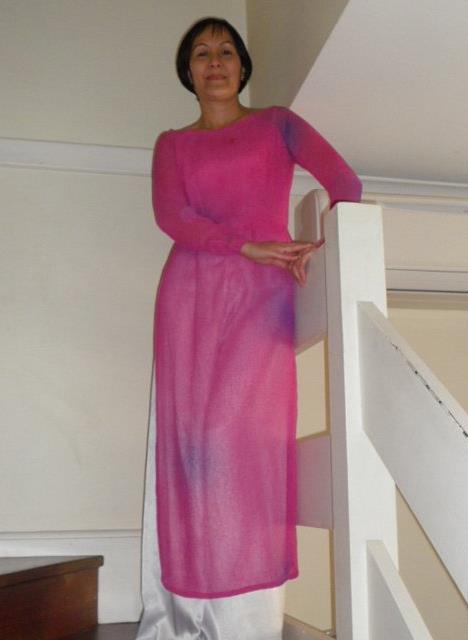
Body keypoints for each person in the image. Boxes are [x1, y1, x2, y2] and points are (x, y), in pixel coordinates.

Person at [136, 16, 362, 640]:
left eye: (226, 51)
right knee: (193, 451)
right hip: (189, 299)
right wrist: (245, 245)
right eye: (201, 53)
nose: (215, 62)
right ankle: (191, 606)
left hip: (260, 302)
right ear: (188, 71)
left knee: (244, 440)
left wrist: (319, 248)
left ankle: (244, 613)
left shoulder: (277, 124)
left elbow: (345, 184)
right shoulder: (172, 144)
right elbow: (172, 216)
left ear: (242, 66)